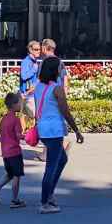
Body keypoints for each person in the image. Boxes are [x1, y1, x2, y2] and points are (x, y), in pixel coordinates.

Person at [32, 57, 83, 214]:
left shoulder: (39, 86)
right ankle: (45, 202)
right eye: (61, 68)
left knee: (62, 159)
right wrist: (76, 130)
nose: (62, 70)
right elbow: (65, 111)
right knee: (51, 166)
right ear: (55, 70)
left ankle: (50, 194)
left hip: (43, 129)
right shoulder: (57, 89)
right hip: (54, 131)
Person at [0, 92, 29, 209]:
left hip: (5, 153)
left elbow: (3, 135)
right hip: (15, 152)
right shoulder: (15, 120)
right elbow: (18, 135)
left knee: (9, 174)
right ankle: (15, 200)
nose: (21, 105)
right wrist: (28, 137)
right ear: (14, 104)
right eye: (20, 103)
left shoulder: (4, 119)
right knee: (16, 176)